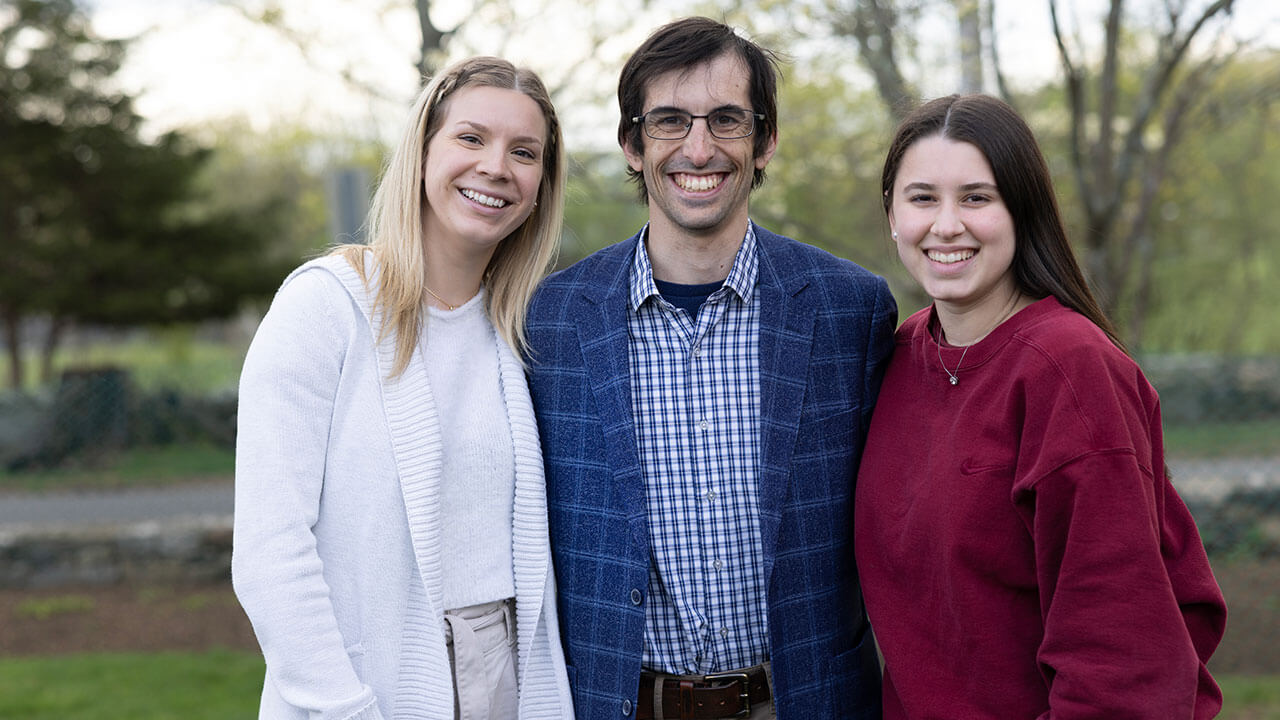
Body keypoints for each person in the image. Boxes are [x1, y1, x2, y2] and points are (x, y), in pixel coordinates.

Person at [525, 17, 895, 720]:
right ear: (633, 146)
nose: (699, 148)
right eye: (669, 121)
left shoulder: (852, 311)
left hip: (807, 702)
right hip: (617, 704)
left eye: (727, 119)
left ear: (765, 141)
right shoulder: (550, 320)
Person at [856, 93, 1227, 719]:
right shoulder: (894, 359)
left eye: (977, 197)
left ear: (1023, 212)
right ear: (892, 215)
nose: (947, 225)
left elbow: (1122, 658)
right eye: (923, 198)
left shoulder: (1070, 372)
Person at [232, 56, 574, 720]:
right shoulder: (326, 308)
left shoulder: (522, 332)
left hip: (507, 683)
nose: (497, 167)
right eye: (471, 138)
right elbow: (272, 549)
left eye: (524, 152)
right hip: (366, 692)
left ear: (541, 184)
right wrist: (343, 708)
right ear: (423, 152)